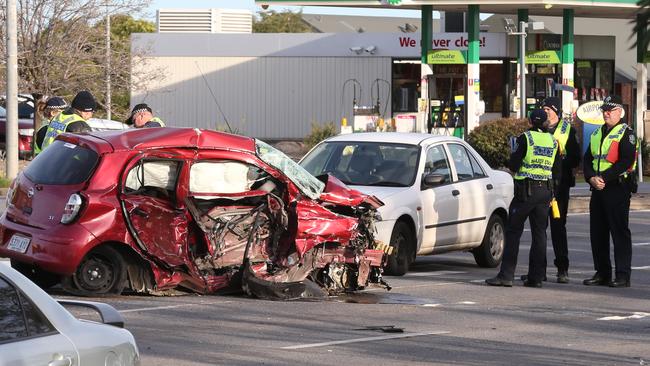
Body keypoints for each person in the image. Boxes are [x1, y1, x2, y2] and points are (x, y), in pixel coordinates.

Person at [486, 109, 560, 288]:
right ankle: (536, 277)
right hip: (545, 191)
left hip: (526, 191)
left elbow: (514, 164)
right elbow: (556, 169)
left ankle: (506, 275)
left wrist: (513, 153)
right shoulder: (553, 141)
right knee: (540, 234)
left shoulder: (525, 138)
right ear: (545, 123)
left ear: (530, 121)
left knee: (513, 232)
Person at [521, 97, 581, 284]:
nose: (545, 111)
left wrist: (559, 160)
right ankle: (539, 271)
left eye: (548, 108)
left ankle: (562, 269)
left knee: (557, 228)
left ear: (556, 111)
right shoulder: (538, 129)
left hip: (559, 187)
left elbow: (576, 158)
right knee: (539, 229)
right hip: (539, 185)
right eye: (543, 108)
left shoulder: (567, 131)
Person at [583, 95, 637, 288]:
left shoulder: (626, 133)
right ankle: (602, 273)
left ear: (619, 112)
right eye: (604, 110)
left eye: (609, 110)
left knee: (619, 232)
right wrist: (591, 178)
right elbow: (587, 158)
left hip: (617, 188)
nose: (605, 113)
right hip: (598, 188)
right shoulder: (598, 133)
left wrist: (603, 178)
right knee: (597, 233)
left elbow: (626, 161)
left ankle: (623, 275)